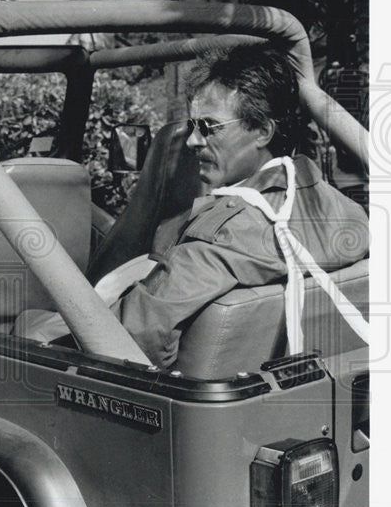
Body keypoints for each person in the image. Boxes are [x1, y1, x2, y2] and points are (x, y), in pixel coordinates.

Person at [112, 45, 369, 367]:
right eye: (192, 127)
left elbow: (135, 333)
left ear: (262, 130)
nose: (193, 141)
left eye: (209, 127)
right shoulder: (347, 212)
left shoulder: (222, 235)